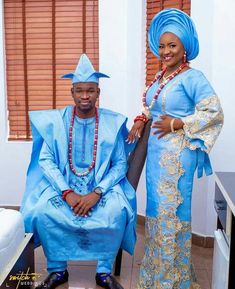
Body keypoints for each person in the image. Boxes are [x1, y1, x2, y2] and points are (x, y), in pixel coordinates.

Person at [20, 53, 136, 289]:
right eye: (80, 90)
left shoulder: (112, 123)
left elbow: (120, 164)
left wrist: (97, 192)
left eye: (91, 90)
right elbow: (46, 160)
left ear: (98, 93)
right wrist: (66, 192)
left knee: (116, 212)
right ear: (72, 92)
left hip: (102, 187)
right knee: (43, 212)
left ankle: (103, 272)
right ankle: (57, 270)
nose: (85, 96)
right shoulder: (57, 121)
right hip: (64, 185)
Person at [127, 8, 224, 289]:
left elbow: (214, 112)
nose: (165, 51)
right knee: (157, 215)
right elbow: (151, 107)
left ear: (185, 49)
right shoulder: (161, 77)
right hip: (156, 159)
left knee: (173, 216)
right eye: (162, 45)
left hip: (177, 160)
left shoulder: (193, 78)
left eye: (172, 45)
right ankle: (159, 276)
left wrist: (178, 123)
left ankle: (173, 282)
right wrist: (140, 120)